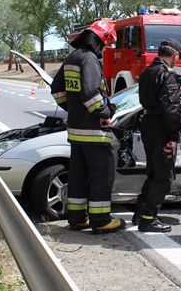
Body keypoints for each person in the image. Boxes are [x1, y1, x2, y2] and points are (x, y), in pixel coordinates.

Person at [50, 19, 125, 234]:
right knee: (103, 175)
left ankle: (76, 218)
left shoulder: (73, 57)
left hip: (75, 131)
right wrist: (104, 113)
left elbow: (57, 89)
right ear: (101, 40)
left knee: (79, 176)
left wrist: (73, 109)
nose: (104, 49)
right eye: (105, 44)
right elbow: (91, 93)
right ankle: (101, 221)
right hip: (94, 132)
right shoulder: (91, 59)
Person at [133, 39, 181, 233]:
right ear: (175, 55)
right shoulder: (166, 75)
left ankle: (141, 212)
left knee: (153, 172)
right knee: (162, 177)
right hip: (162, 128)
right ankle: (148, 219)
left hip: (148, 125)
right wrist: (173, 137)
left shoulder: (147, 72)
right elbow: (171, 109)